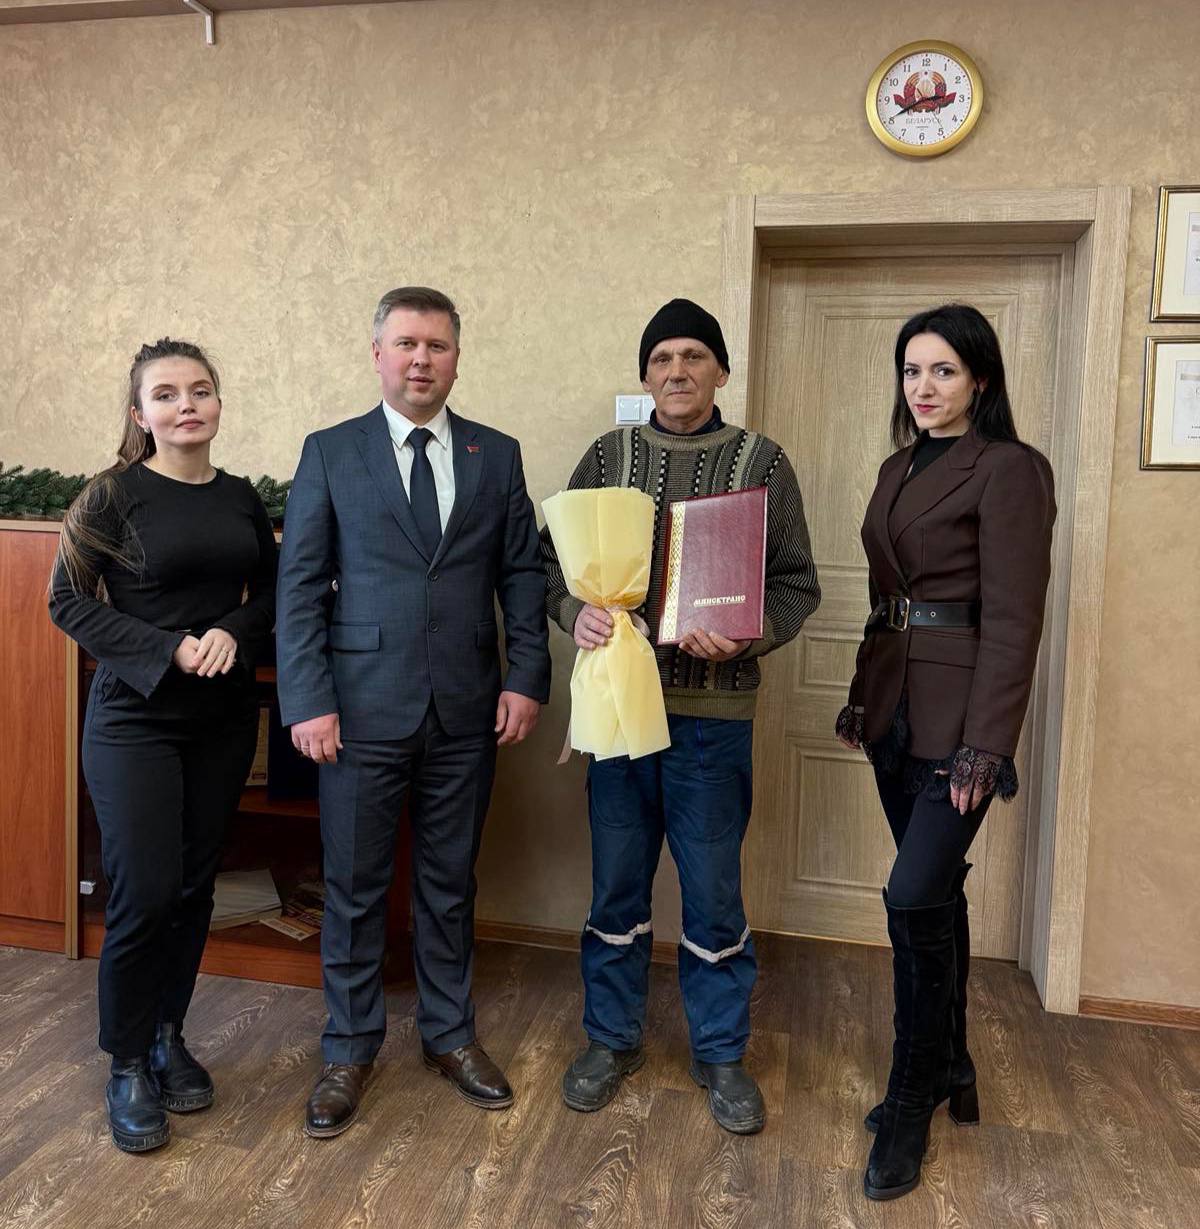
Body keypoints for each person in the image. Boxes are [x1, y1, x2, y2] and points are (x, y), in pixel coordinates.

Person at [276, 286, 551, 1139]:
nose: (421, 358)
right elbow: (298, 587)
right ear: (378, 355)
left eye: (436, 344)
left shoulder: (496, 455)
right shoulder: (331, 452)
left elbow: (522, 575)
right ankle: (348, 1048)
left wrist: (527, 676)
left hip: (468, 711)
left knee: (450, 882)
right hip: (357, 712)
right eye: (406, 343)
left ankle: (449, 1034)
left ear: (457, 358)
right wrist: (308, 700)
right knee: (354, 888)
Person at [541, 298, 821, 1134]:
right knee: (616, 884)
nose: (677, 371)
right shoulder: (609, 455)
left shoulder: (762, 462)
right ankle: (611, 1039)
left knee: (713, 891)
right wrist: (574, 614)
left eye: (694, 355)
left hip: (712, 717)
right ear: (645, 374)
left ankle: (722, 1052)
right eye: (662, 358)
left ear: (721, 371)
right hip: (618, 711)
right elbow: (549, 565)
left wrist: (747, 637)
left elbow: (797, 583)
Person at [834, 303, 1056, 1201]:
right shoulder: (896, 466)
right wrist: (862, 693)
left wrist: (985, 746)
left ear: (981, 380)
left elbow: (1014, 620)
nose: (923, 387)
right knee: (935, 902)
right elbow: (886, 598)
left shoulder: (1009, 468)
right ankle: (954, 1062)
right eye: (911, 370)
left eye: (943, 370)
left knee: (911, 897)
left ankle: (911, 1094)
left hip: (961, 722)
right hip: (893, 708)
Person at [49, 338, 278, 1153]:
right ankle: (125, 1062)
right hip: (134, 717)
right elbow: (66, 601)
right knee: (144, 891)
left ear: (218, 402)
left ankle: (166, 1035)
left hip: (221, 719)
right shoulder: (111, 495)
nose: (188, 405)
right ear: (141, 413)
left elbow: (274, 593)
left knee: (191, 887)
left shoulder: (240, 497)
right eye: (168, 393)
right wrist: (166, 648)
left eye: (201, 390)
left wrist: (231, 629)